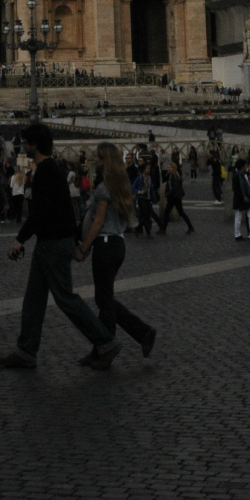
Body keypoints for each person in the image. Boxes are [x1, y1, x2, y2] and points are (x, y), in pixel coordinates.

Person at [0, 122, 121, 372]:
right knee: (34, 298)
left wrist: (19, 239)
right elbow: (63, 210)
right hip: (52, 242)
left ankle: (106, 341)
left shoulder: (45, 171)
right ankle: (26, 350)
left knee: (66, 298)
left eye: (25, 141)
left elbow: (39, 213)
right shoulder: (50, 168)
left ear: (34, 144)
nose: (22, 145)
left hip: (53, 245)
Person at [76, 144, 156, 354]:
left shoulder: (104, 188)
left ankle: (108, 346)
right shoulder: (120, 184)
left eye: (98, 158)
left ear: (105, 161)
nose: (95, 160)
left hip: (105, 244)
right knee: (105, 299)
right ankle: (109, 344)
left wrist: (84, 247)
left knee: (104, 300)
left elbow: (98, 221)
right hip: (118, 243)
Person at [155, 158, 195, 237]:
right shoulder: (171, 175)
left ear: (173, 168)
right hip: (174, 197)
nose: (168, 169)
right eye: (168, 167)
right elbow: (169, 186)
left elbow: (174, 188)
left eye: (169, 167)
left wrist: (168, 194)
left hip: (175, 197)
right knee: (178, 212)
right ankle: (190, 227)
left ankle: (163, 229)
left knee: (175, 212)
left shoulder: (175, 177)